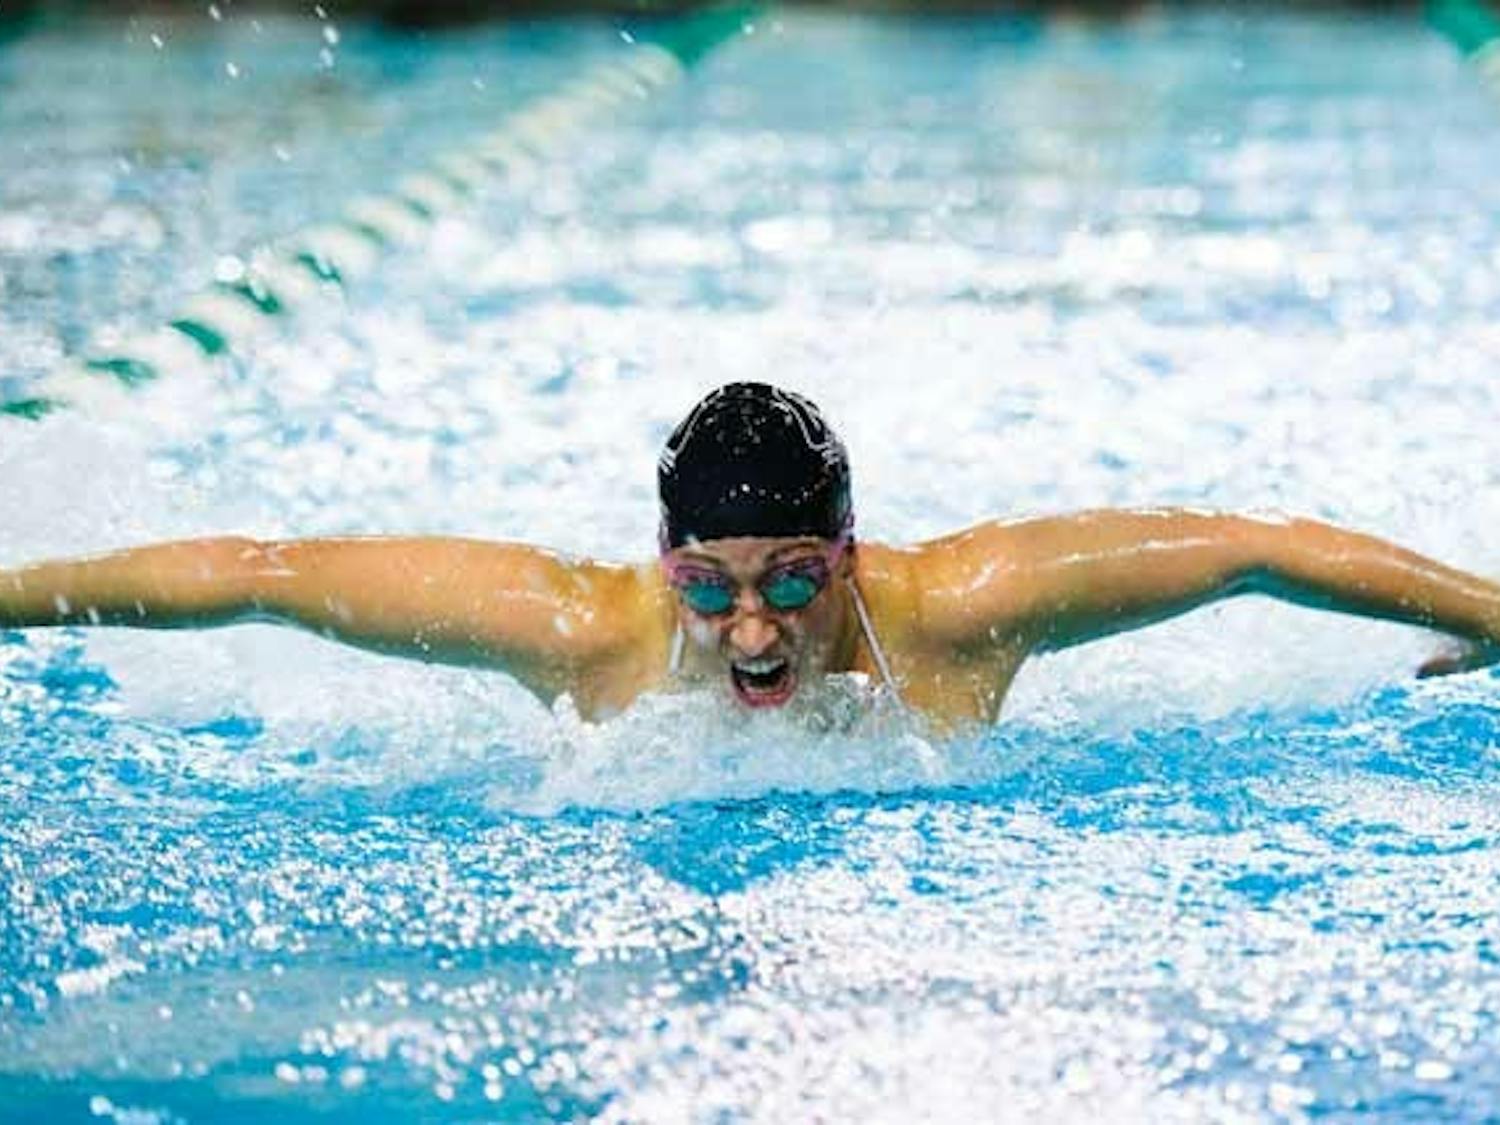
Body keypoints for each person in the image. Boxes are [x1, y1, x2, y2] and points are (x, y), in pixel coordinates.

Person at [1, 382, 1496, 730]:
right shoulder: (584, 632)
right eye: (708, 585)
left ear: (849, 554)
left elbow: (1251, 548)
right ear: (662, 568)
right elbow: (269, 568)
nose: (755, 628)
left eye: (792, 575)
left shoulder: (962, 612)